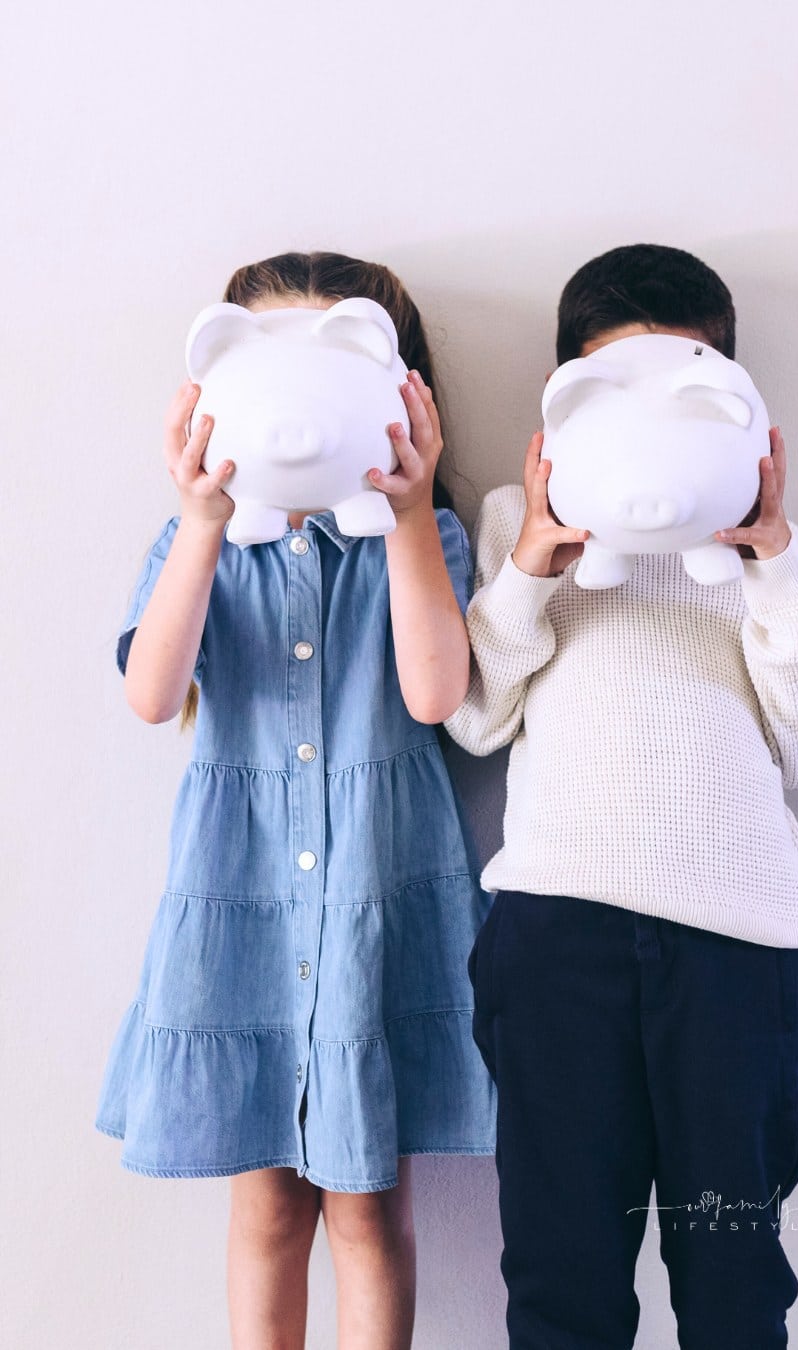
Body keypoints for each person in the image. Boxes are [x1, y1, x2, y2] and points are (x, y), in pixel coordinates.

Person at [445, 243, 798, 1350]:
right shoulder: (514, 527)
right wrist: (536, 555)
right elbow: (474, 714)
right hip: (557, 940)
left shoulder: (776, 557)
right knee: (561, 1273)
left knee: (734, 1275)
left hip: (732, 947)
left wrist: (768, 553)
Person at [96, 251, 495, 1350]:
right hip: (246, 900)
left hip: (376, 897)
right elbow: (151, 693)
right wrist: (202, 520)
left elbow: (434, 693)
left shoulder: (432, 542)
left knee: (368, 1205)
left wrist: (412, 516)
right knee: (267, 1205)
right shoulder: (200, 550)